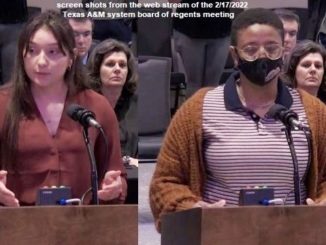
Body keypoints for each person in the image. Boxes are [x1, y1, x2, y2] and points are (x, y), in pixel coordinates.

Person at [149, 8, 326, 231]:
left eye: (272, 48)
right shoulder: (198, 109)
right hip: (221, 235)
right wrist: (192, 209)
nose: (262, 56)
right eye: (251, 49)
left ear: (284, 50)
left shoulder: (314, 112)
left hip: (294, 235)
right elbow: (164, 183)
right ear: (235, 55)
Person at [0, 10, 126, 206]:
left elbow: (116, 174)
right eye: (31, 50)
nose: (41, 61)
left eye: (53, 52)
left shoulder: (97, 106)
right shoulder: (3, 103)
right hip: (17, 226)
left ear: (71, 58)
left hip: (83, 225)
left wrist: (114, 187)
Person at [87, 39, 138, 162]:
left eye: (122, 65)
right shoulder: (86, 102)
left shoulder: (136, 103)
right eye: (110, 64)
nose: (117, 69)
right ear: (97, 69)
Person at [170, 0, 232, 97]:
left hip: (220, 30)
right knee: (194, 83)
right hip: (189, 29)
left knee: (212, 85)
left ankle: (209, 111)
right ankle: (192, 111)